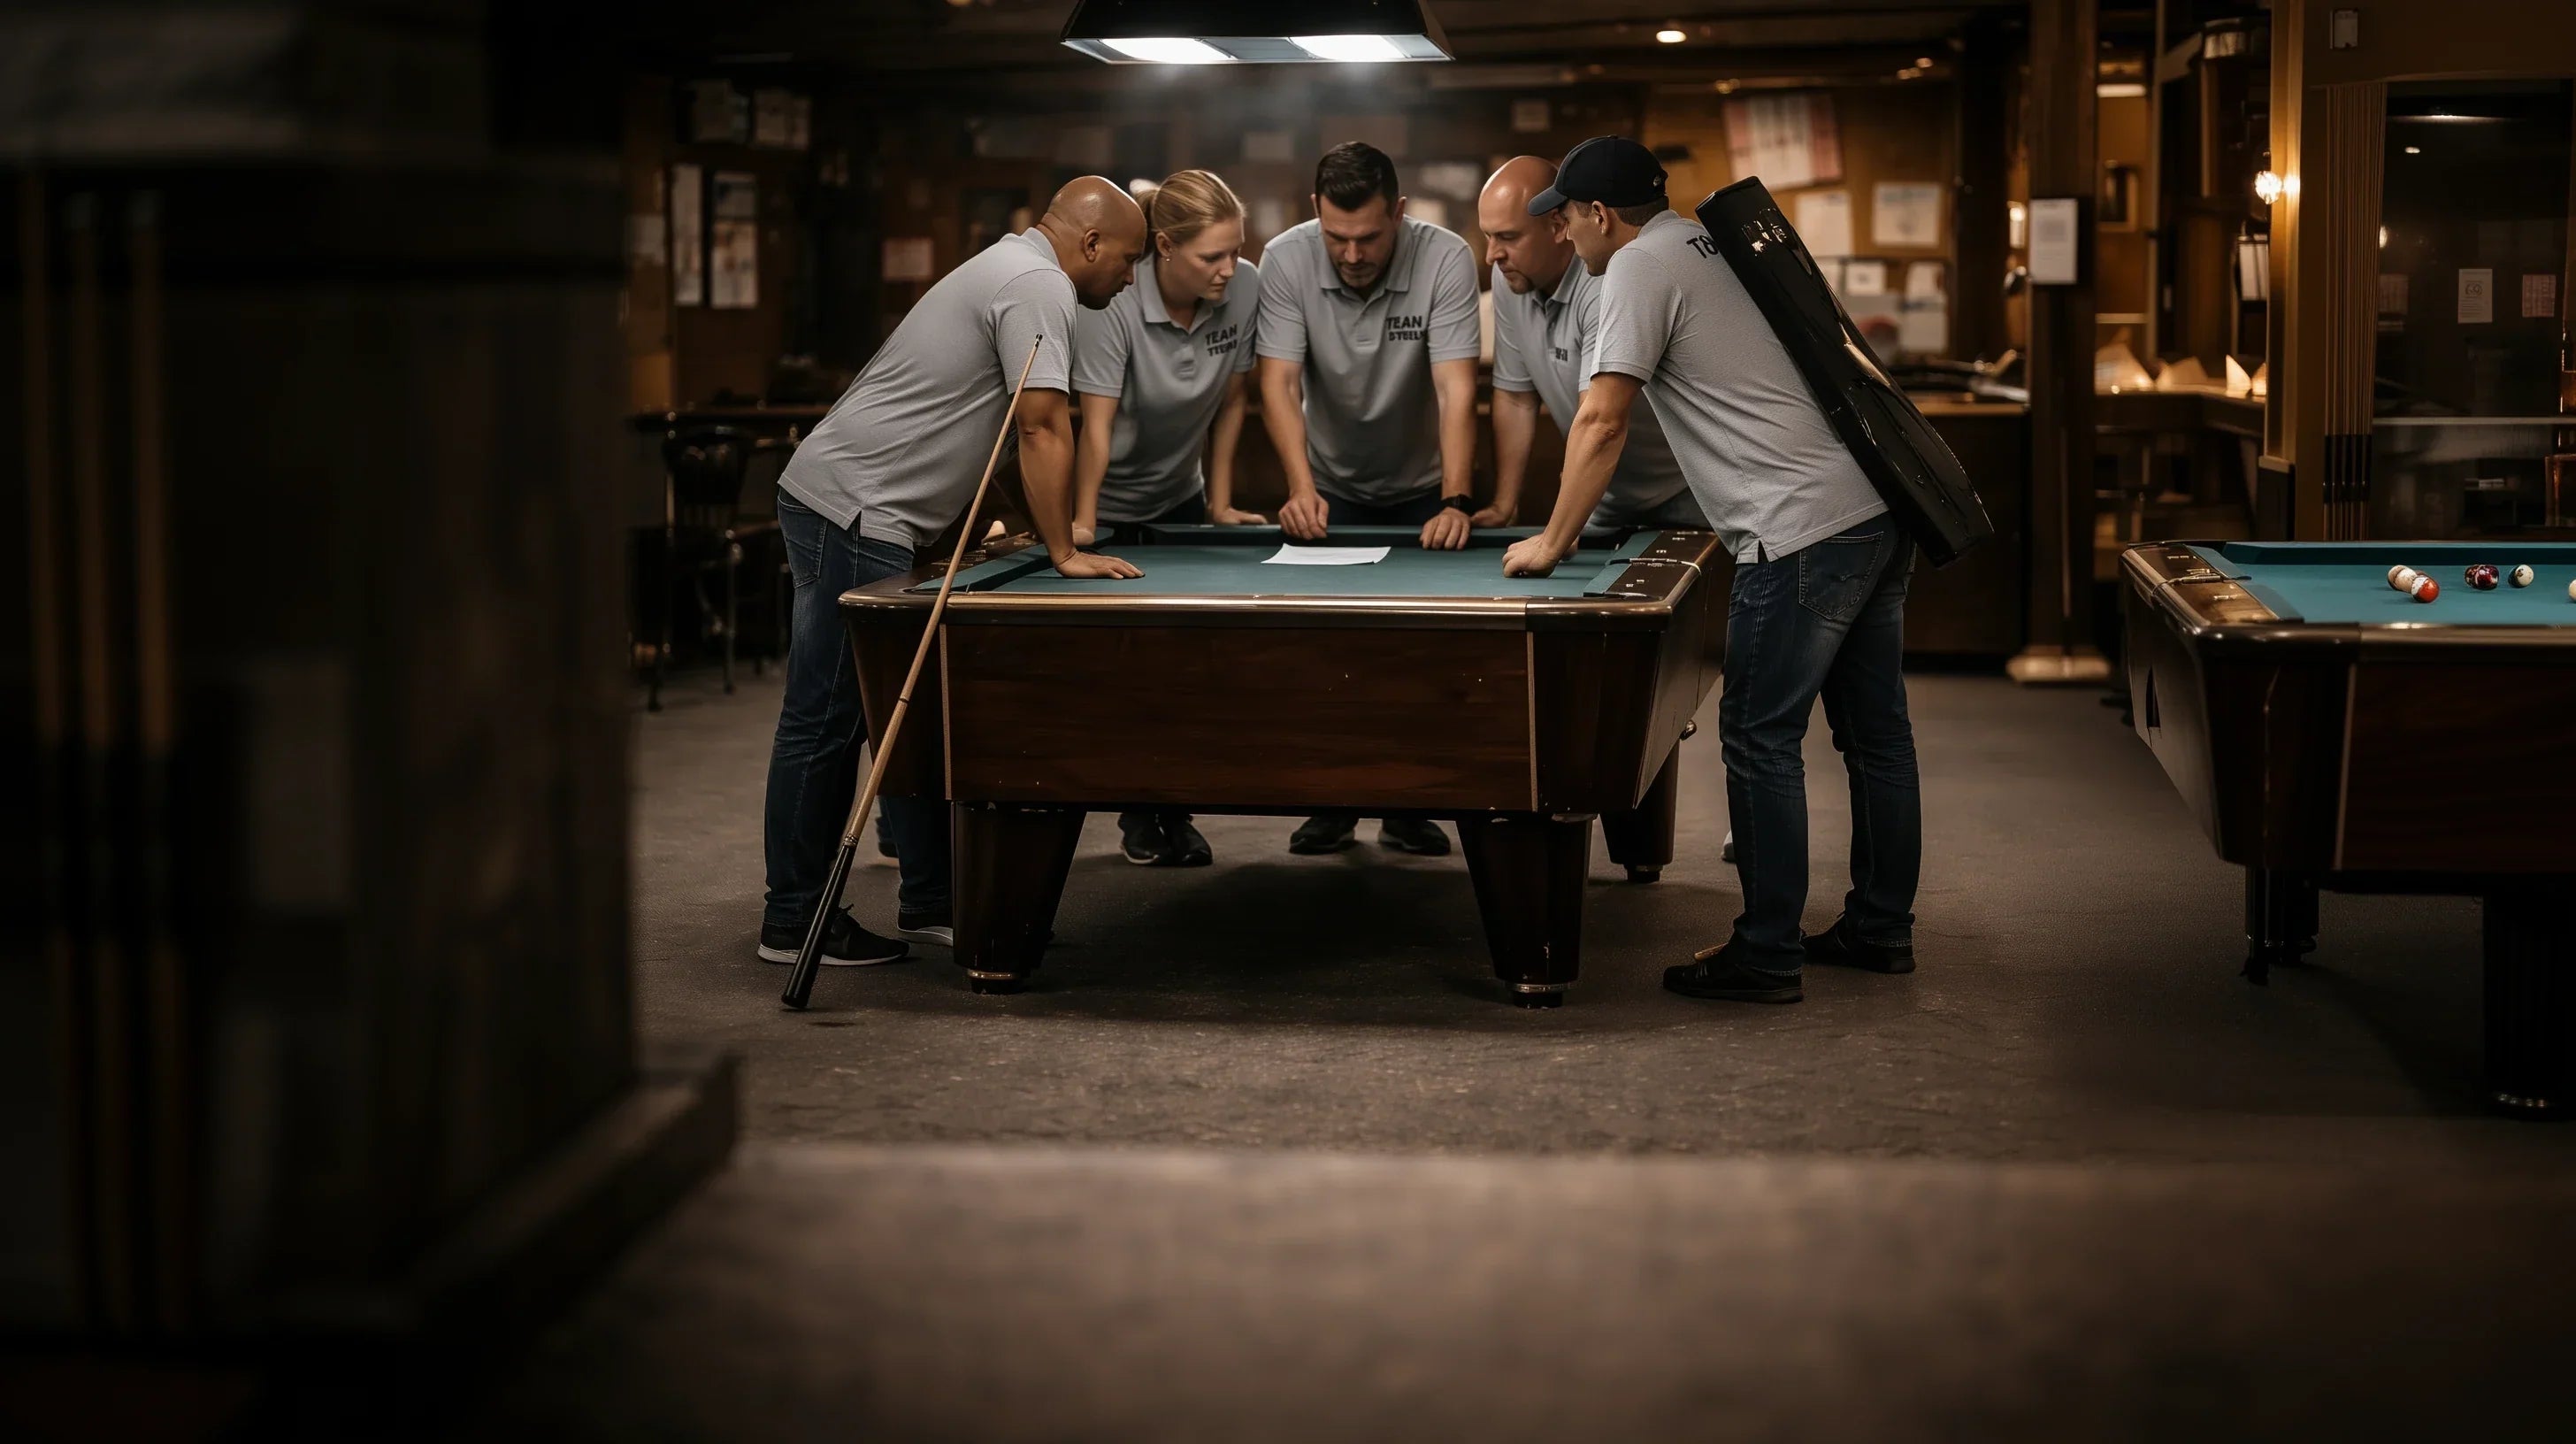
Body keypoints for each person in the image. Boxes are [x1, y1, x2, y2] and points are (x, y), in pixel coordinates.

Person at [1501, 136, 1921, 1004]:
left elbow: (1602, 419)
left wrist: (1550, 541)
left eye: (1565, 217)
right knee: (1874, 736)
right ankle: (1879, 929)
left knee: (1756, 737)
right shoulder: (1706, 239)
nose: (1565, 237)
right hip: (1872, 506)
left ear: (1597, 216)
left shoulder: (1633, 270)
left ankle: (1766, 954)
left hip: (1796, 529)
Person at [759, 177, 1148, 969]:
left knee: (907, 716)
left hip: (851, 502)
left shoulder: (1013, 265)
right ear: (1091, 243)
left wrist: (1022, 528)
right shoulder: (1041, 285)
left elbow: (992, 424)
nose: (1132, 278)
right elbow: (1040, 423)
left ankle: (933, 901)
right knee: (829, 719)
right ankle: (793, 923)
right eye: (1130, 259)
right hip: (859, 511)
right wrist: (1066, 554)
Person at [1254, 140, 1481, 858]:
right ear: (1315, 218)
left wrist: (1457, 498)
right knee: (1324, 659)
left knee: (1417, 662)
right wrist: (1299, 486)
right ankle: (1332, 802)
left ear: (1401, 214)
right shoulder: (1286, 259)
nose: (1351, 254)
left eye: (1369, 237)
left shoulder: (1445, 257)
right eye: (1336, 237)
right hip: (1330, 490)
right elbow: (1277, 383)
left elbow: (1456, 387)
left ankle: (1407, 805)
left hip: (1422, 494)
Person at [1070, 167, 1263, 867]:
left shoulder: (1243, 288)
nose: (1229, 268)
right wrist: (1081, 528)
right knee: (1114, 673)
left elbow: (1236, 399)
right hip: (1106, 507)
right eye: (1212, 255)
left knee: (1184, 663)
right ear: (1164, 248)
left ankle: (1165, 811)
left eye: (1235, 250)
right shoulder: (1115, 303)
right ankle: (1136, 808)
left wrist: (1218, 500)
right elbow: (1096, 425)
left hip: (1178, 499)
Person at [1476, 156, 1705, 534]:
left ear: (1557, 227)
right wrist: (1504, 504)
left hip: (1686, 491)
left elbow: (1599, 422)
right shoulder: (1509, 278)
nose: (1492, 255)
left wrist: (1555, 537)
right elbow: (1516, 396)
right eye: (1488, 236)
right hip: (1607, 495)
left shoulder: (1607, 283)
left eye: (1508, 237)